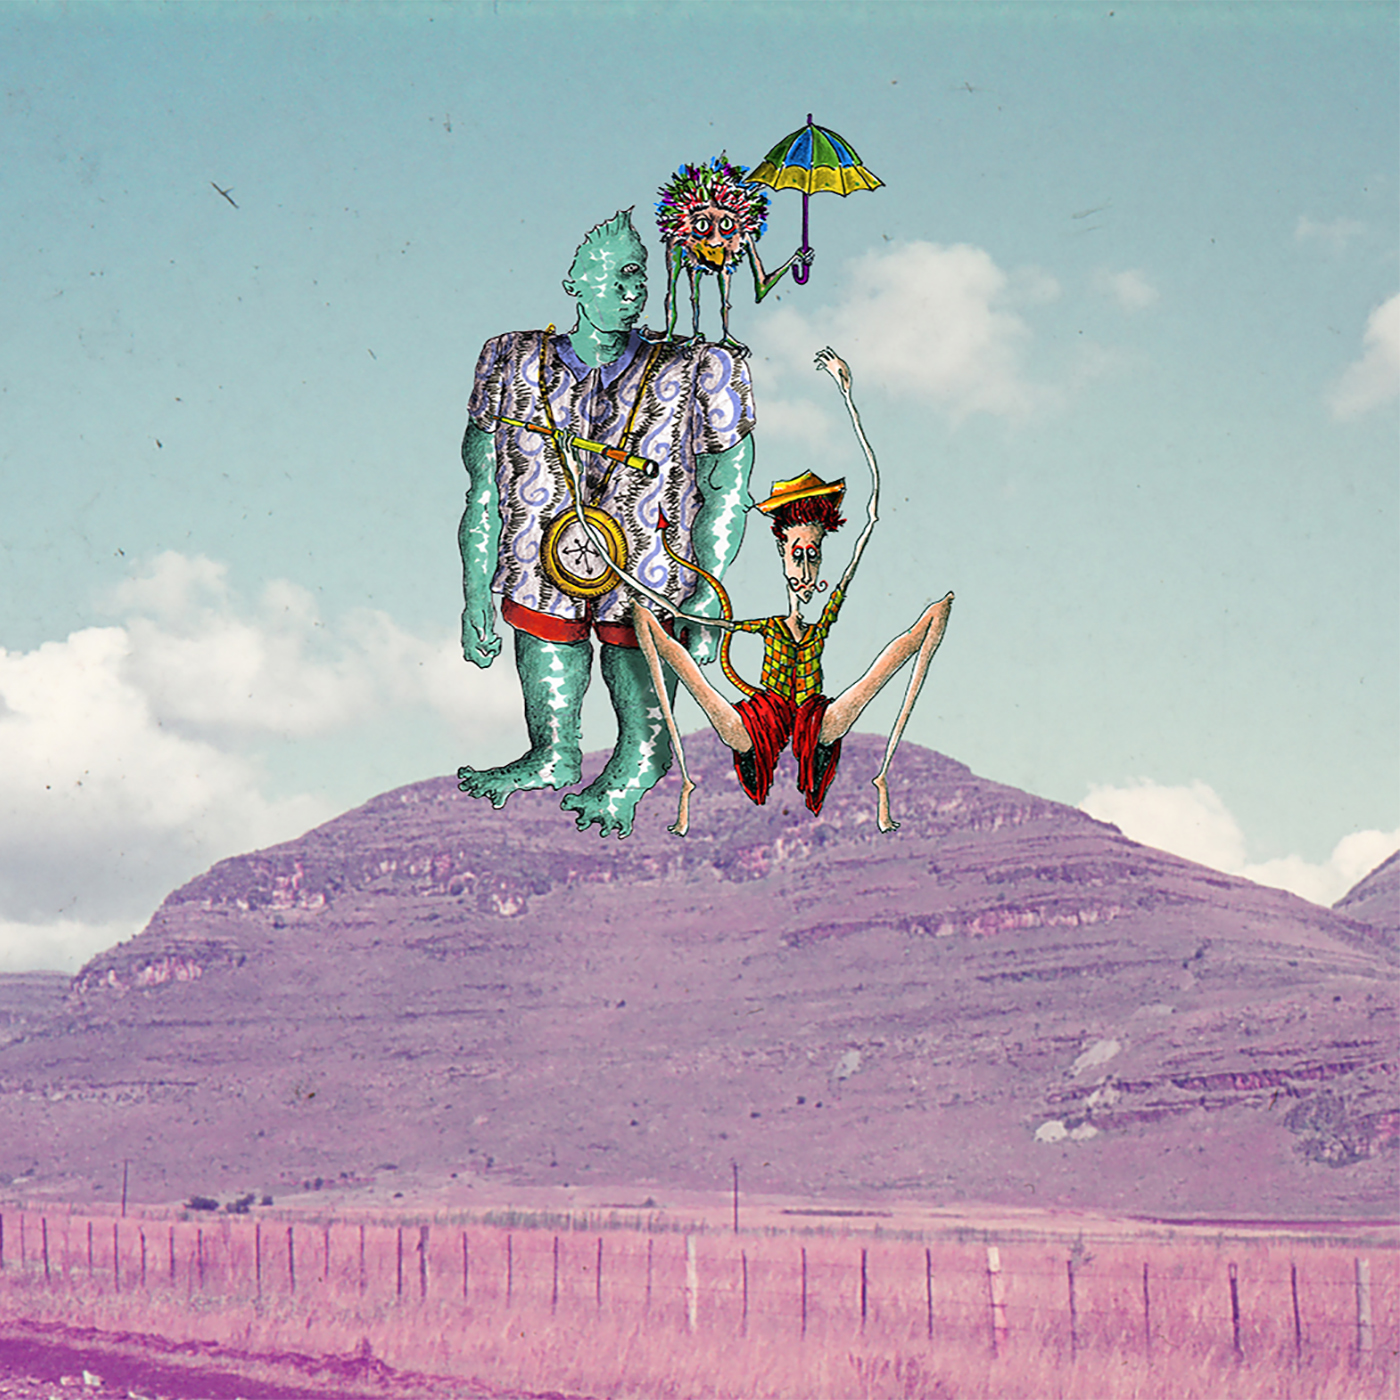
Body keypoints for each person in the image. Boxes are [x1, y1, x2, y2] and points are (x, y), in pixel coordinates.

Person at [456, 210, 756, 837]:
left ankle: (635, 766)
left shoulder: (695, 369)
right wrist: (475, 591)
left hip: (649, 562)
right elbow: (482, 487)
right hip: (541, 557)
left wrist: (709, 591)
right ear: (574, 283)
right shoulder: (510, 362)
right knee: (544, 634)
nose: (630, 290)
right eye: (613, 275)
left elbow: (727, 482)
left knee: (637, 646)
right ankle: (552, 753)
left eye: (638, 276)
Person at [626, 348, 954, 834]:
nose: (803, 564)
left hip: (813, 712)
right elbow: (707, 622)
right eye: (797, 553)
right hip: (769, 710)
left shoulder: (827, 610)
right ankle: (687, 785)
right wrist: (651, 604)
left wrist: (848, 393)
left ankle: (881, 778)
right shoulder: (769, 625)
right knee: (716, 709)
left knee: (896, 656)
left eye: (812, 555)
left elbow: (871, 514)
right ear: (782, 551)